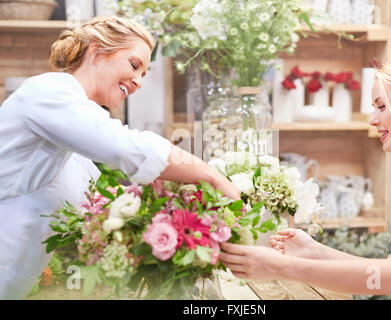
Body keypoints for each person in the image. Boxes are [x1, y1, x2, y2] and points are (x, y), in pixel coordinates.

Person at [0, 16, 240, 299]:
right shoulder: (49, 92)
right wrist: (210, 175)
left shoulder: (75, 121)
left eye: (143, 74)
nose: (138, 81)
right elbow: (125, 147)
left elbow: (83, 203)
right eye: (134, 65)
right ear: (97, 52)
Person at [220, 52, 391, 296]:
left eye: (382, 106)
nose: (373, 120)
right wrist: (316, 253)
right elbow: (385, 272)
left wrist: (279, 266)